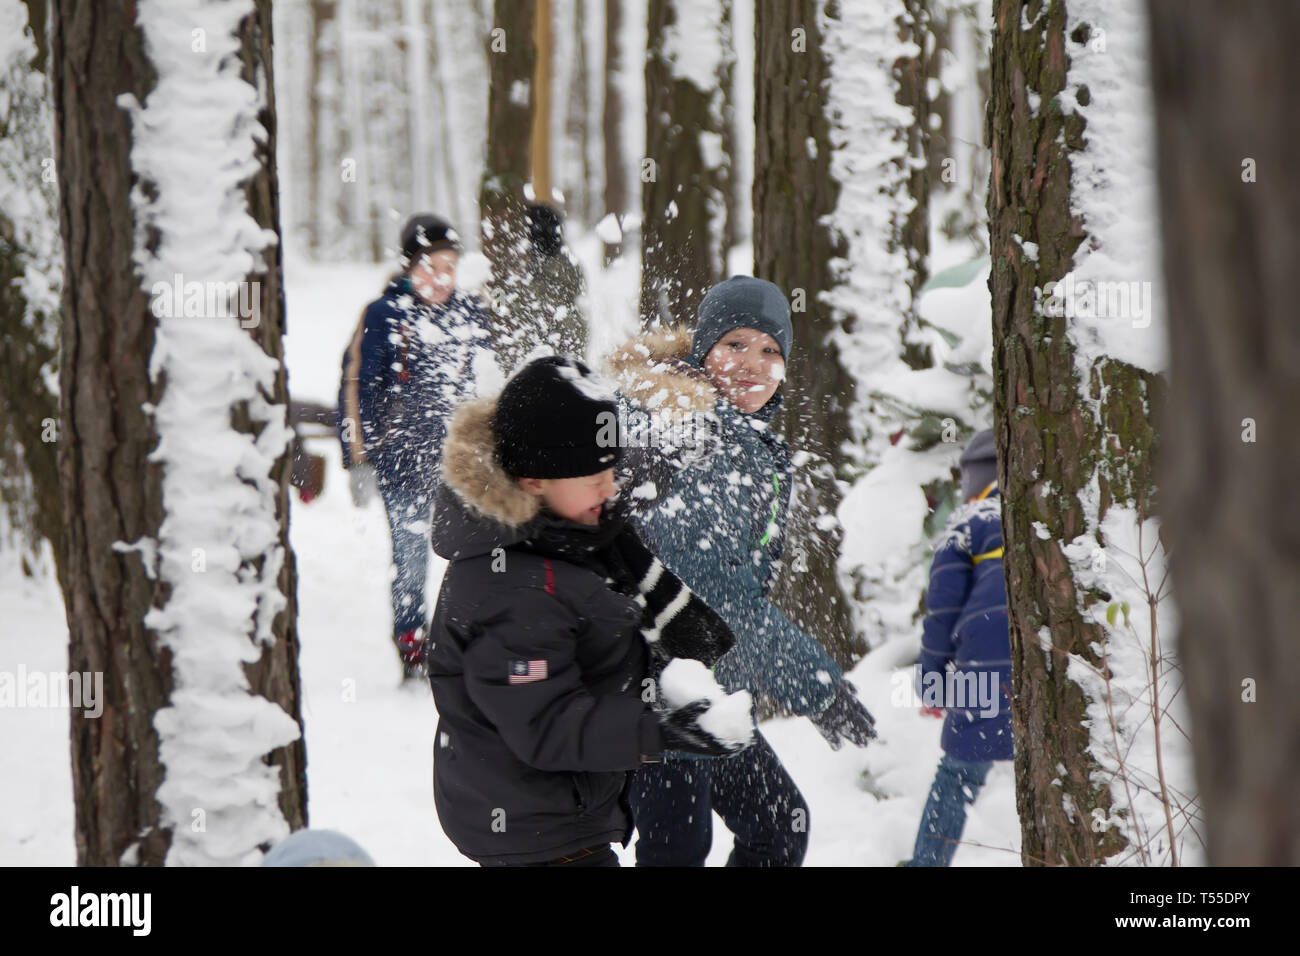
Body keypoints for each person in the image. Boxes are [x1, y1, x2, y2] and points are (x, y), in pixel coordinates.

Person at [426, 355, 752, 867]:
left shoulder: (570, 533)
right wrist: (658, 730)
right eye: (594, 474)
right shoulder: (513, 586)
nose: (612, 486)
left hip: (561, 816)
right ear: (533, 480)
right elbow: (547, 724)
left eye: (612, 468)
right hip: (537, 832)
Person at [605, 275, 877, 867]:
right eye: (734, 345)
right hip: (655, 684)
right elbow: (718, 602)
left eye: (770, 351)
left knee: (777, 827)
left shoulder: (739, 438)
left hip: (694, 684)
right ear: (703, 348)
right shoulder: (693, 433)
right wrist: (818, 687)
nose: (752, 365)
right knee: (683, 847)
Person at [337, 213, 491, 680]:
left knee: (471, 557)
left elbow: (487, 385)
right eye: (430, 267)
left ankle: (465, 642)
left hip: (460, 466)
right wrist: (356, 458)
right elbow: (355, 385)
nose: (441, 278)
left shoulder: (470, 311)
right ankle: (412, 642)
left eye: (449, 266)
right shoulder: (385, 314)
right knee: (410, 556)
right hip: (401, 462)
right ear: (409, 268)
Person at [902, 429, 1013, 866]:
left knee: (958, 775)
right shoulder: (1043, 510)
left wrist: (932, 686)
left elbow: (942, 612)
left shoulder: (967, 522)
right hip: (1046, 664)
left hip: (985, 669)